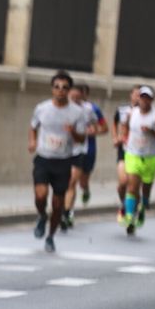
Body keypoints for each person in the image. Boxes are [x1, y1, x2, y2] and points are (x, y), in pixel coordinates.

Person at [28, 71, 90, 253]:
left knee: (57, 204)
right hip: (43, 158)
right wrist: (32, 141)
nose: (60, 91)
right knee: (40, 196)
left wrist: (73, 132)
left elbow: (81, 139)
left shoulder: (77, 113)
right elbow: (33, 127)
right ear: (52, 89)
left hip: (63, 161)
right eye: (57, 87)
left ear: (69, 90)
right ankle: (41, 216)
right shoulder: (42, 108)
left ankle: (50, 236)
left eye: (64, 88)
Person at [119, 85, 155, 234]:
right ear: (138, 98)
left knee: (145, 188)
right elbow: (125, 127)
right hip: (133, 154)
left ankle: (144, 202)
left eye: (148, 98)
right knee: (132, 187)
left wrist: (153, 131)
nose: (144, 101)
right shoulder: (132, 113)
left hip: (150, 157)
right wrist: (125, 138)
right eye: (142, 97)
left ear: (152, 100)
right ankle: (129, 216)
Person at [62, 81, 107, 227]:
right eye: (72, 95)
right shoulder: (61, 107)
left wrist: (94, 131)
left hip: (84, 149)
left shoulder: (90, 109)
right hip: (63, 151)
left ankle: (71, 207)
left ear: (83, 96)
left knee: (79, 182)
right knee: (69, 183)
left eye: (78, 96)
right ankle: (67, 212)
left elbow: (103, 127)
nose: (74, 99)